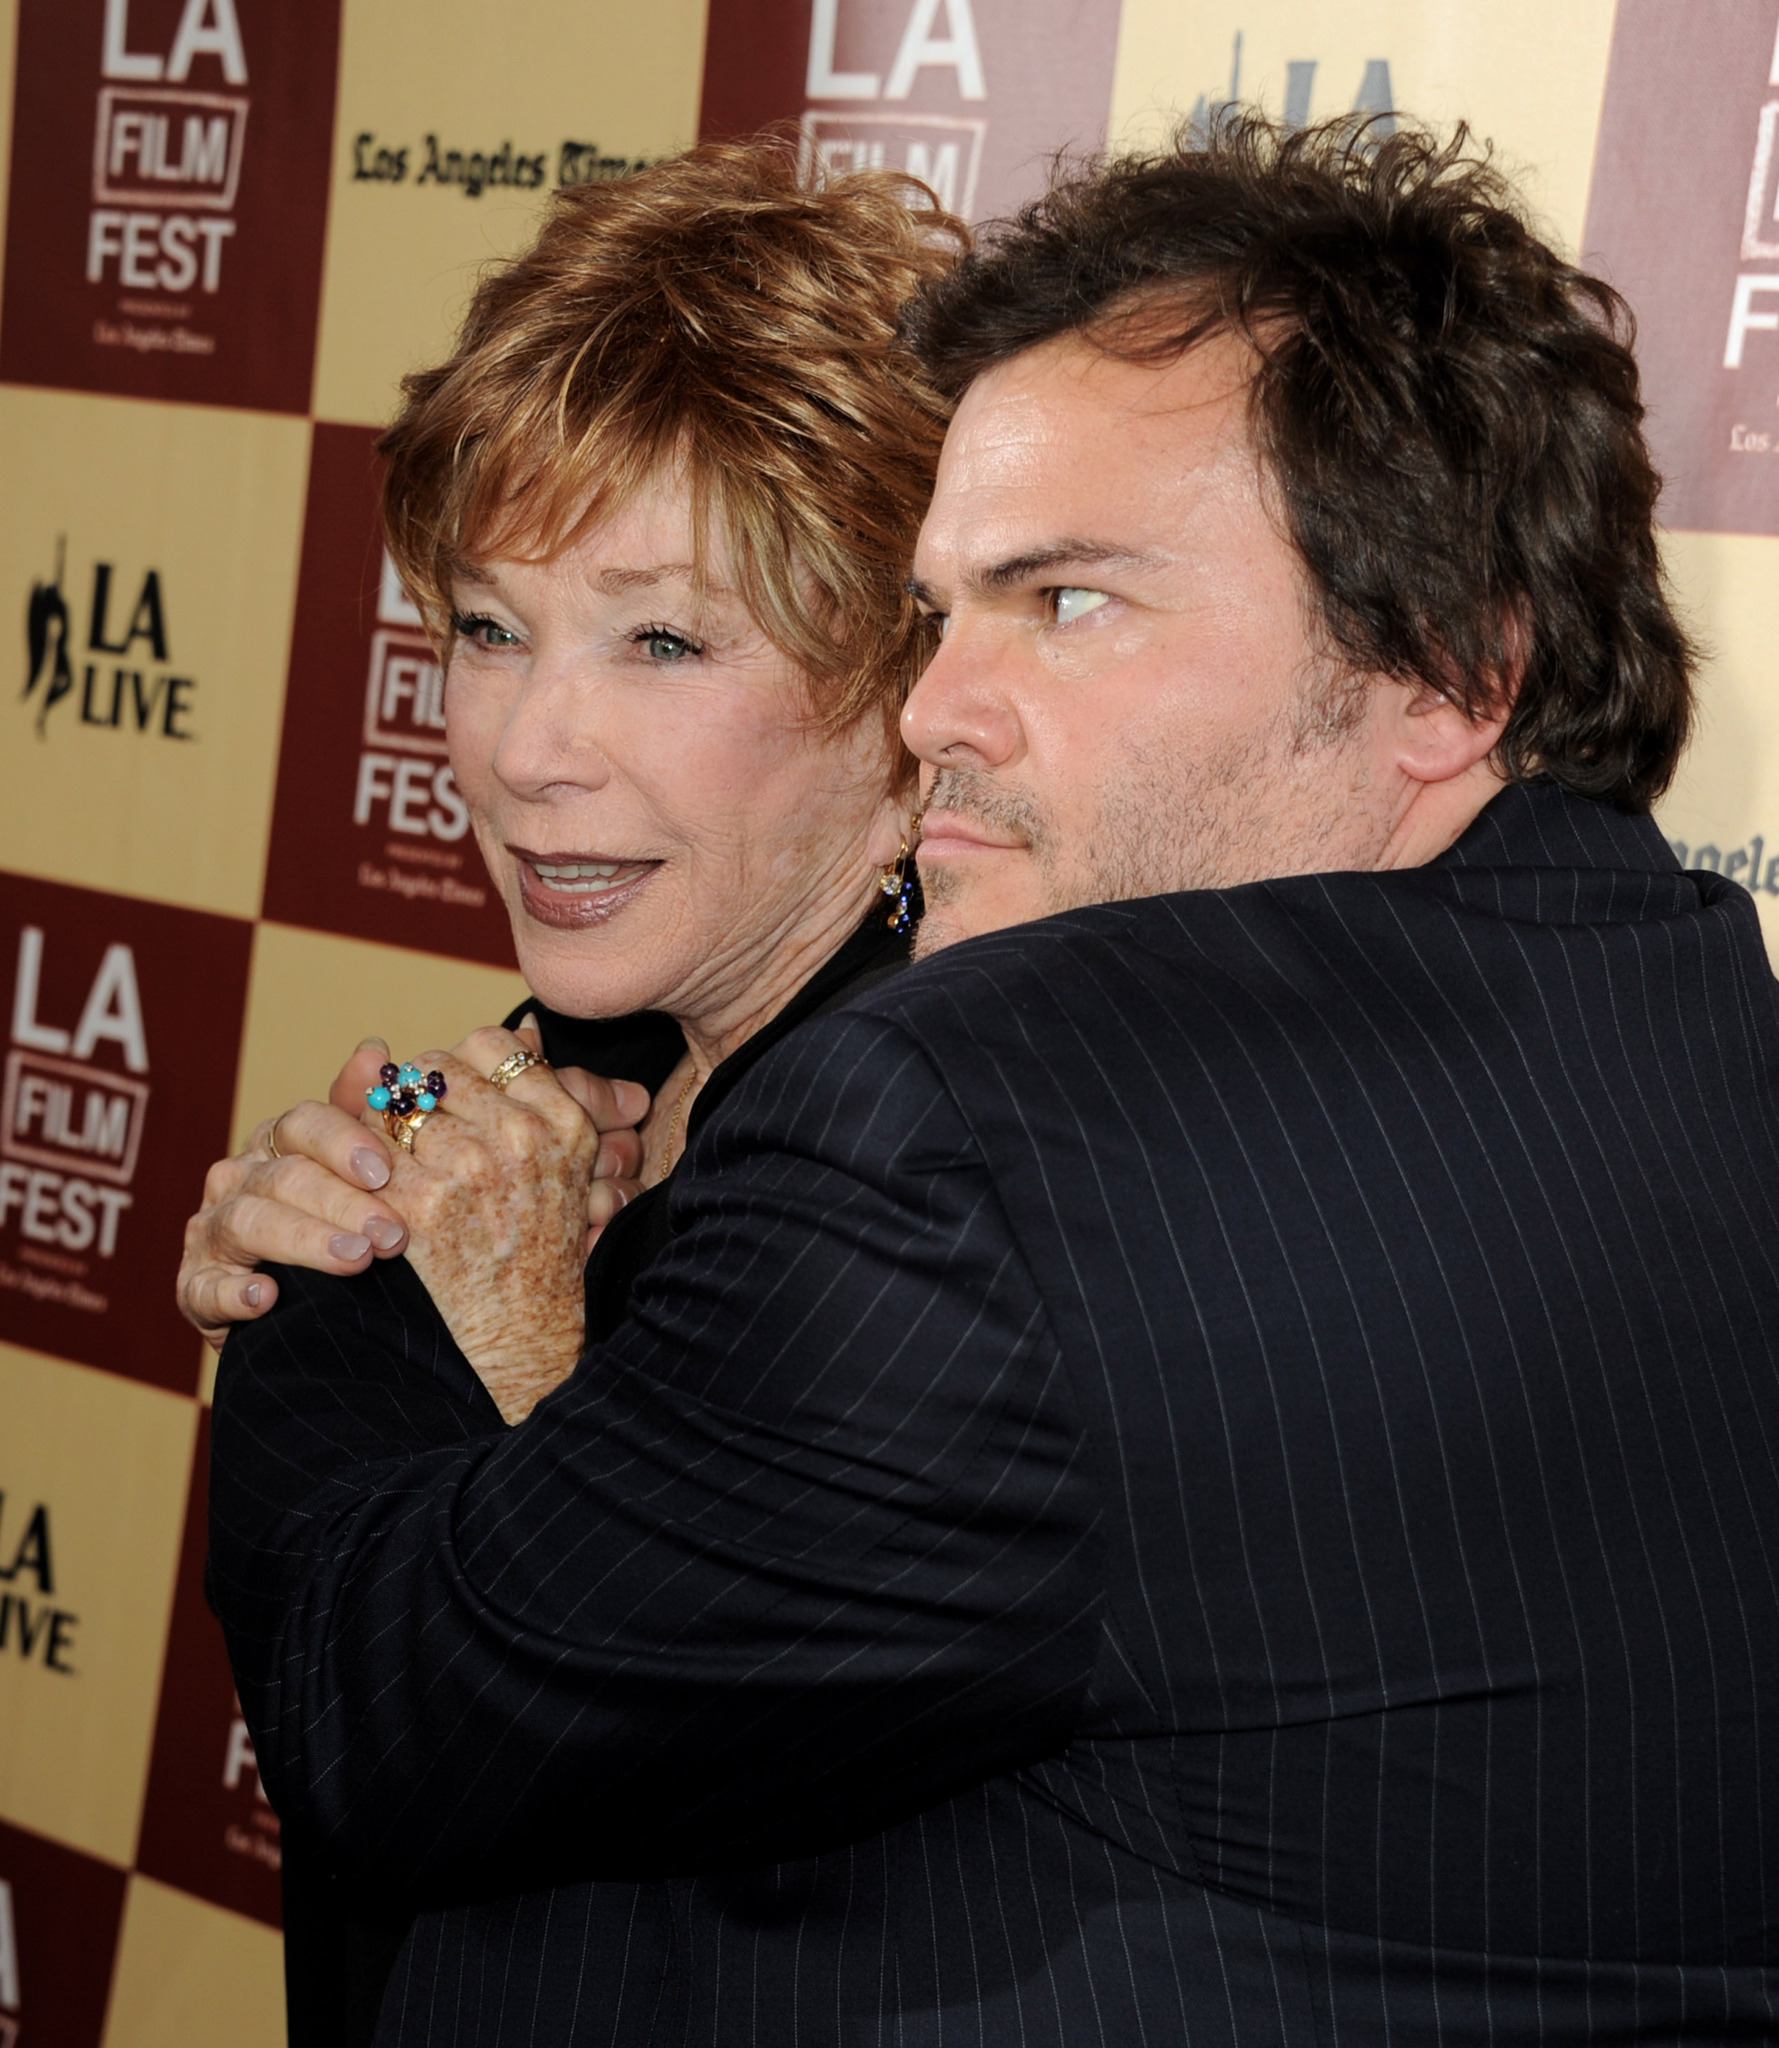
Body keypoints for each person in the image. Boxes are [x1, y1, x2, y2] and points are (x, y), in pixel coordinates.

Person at [207, 115, 1779, 2045]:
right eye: (484, 627)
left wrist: (359, 1262)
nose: (937, 704)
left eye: (1068, 602)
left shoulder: (961, 1141)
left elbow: (424, 1715)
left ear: (1449, 675)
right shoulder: (1672, 989)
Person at [184, 140, 964, 2040]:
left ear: (905, 687)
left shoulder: (950, 1167)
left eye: (665, 640)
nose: (527, 750)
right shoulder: (526, 1092)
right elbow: (318, 1681)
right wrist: (354, 1210)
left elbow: (772, 1832)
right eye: (486, 626)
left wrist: (534, 1348)